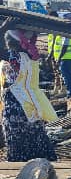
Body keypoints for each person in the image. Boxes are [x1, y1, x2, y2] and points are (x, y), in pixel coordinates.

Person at [1, 29, 57, 162]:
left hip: (15, 104)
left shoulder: (11, 56)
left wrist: (4, 27)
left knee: (18, 142)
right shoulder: (31, 56)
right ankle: (42, 169)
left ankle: (22, 172)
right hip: (32, 104)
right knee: (36, 137)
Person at [47, 24, 71, 97]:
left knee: (67, 77)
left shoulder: (66, 34)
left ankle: (70, 94)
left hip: (66, 58)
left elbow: (65, 46)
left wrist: (58, 59)